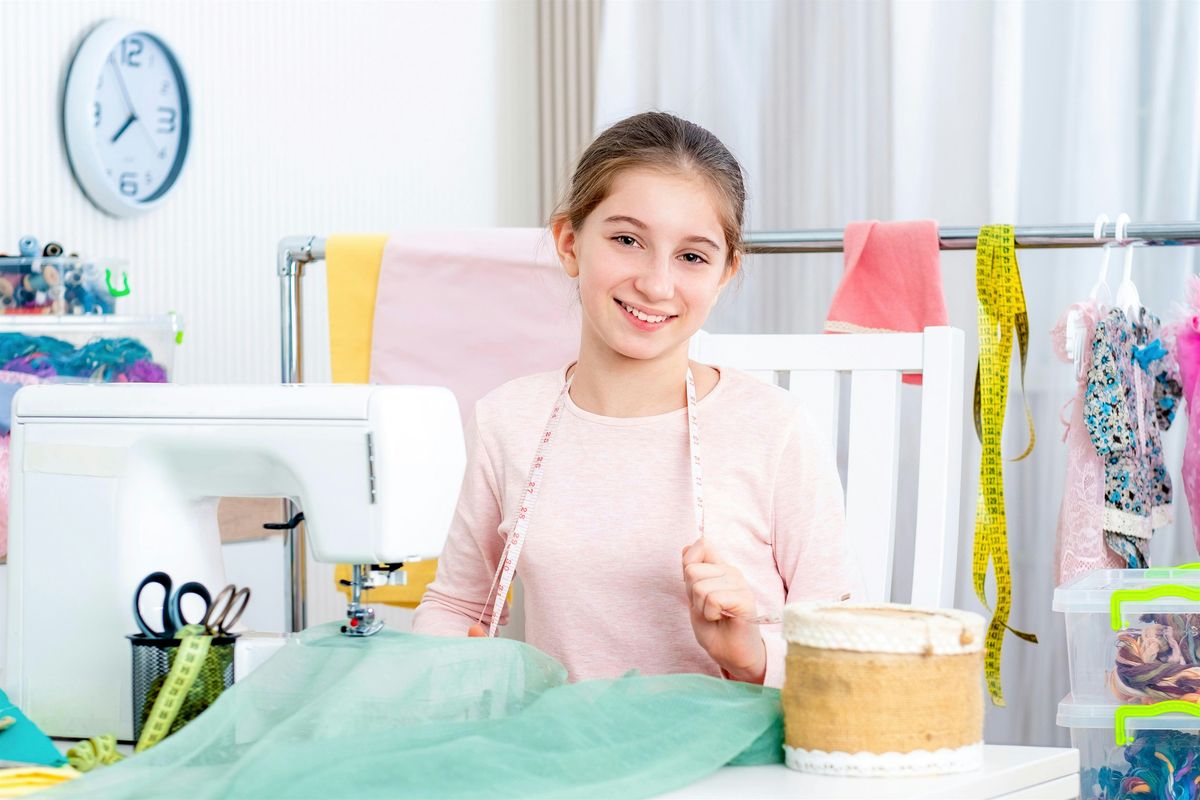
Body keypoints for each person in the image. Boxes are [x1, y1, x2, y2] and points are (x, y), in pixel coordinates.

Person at [413, 111, 850, 687]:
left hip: (738, 764)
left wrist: (750, 654)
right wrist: (446, 663)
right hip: (569, 755)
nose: (656, 284)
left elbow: (848, 649)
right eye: (626, 240)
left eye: (692, 256)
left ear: (724, 274)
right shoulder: (508, 420)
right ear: (570, 244)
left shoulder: (774, 429)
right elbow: (457, 608)